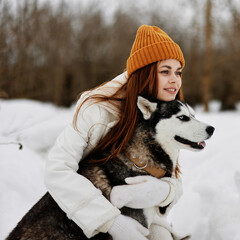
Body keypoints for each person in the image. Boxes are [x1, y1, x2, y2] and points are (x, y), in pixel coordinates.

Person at [45, 25, 186, 240]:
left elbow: (174, 175)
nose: (175, 80)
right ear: (144, 74)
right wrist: (111, 221)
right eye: (165, 71)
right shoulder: (96, 109)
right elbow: (57, 170)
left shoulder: (166, 113)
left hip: (142, 213)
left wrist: (166, 191)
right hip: (84, 212)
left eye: (178, 72)